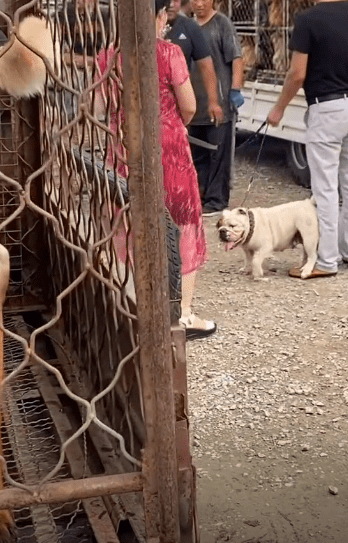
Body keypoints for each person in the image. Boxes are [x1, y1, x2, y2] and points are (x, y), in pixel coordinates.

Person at [96, 0, 216, 339]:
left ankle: (130, 308)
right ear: (160, 16)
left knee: (126, 222)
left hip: (124, 148)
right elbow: (189, 106)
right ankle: (183, 314)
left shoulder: (107, 57)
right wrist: (173, 122)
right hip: (169, 149)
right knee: (181, 223)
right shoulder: (168, 53)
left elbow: (98, 107)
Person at [266, 0, 348, 279]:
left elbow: (297, 73)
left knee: (325, 188)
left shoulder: (308, 19)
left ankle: (327, 260)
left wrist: (279, 107)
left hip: (327, 107)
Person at [188, 0, 244, 216]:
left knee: (218, 155)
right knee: (197, 155)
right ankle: (199, 195)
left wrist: (235, 89)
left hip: (218, 105)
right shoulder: (187, 26)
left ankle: (217, 200)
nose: (198, 3)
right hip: (195, 105)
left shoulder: (221, 24)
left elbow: (237, 58)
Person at [165, 0, 225, 126]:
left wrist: (213, 102)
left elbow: (206, 66)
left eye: (175, 0)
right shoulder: (145, 26)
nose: (170, 5)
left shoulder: (189, 27)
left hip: (178, 104)